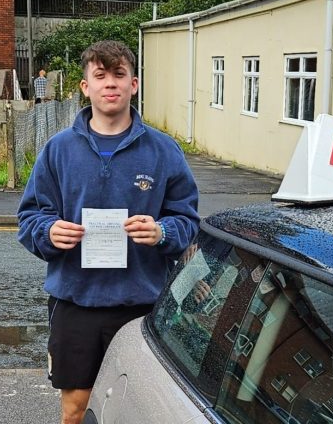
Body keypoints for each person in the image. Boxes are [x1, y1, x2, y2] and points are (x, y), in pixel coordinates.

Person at [17, 40, 200, 424]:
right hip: (76, 303)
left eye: (119, 74)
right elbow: (30, 217)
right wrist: (49, 233)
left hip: (141, 307)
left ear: (134, 84)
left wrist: (162, 232)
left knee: (141, 413)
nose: (110, 84)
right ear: (85, 87)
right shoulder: (57, 150)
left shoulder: (164, 151)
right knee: (76, 409)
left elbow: (186, 220)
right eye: (100, 76)